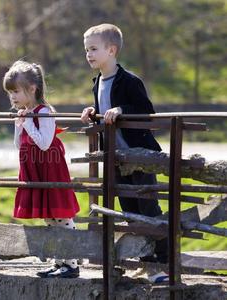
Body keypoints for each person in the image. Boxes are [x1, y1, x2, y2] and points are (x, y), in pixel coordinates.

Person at [80, 24, 169, 283]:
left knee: (148, 209)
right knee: (129, 209)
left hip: (138, 157)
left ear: (111, 50)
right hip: (116, 158)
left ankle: (162, 265)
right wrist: (92, 113)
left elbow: (146, 111)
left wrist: (122, 110)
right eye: (86, 50)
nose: (89, 54)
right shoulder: (97, 82)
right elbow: (103, 113)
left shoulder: (129, 81)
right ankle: (146, 262)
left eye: (94, 49)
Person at [3, 60, 80, 278]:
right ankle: (60, 263)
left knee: (61, 216)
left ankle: (72, 264)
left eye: (16, 91)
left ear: (32, 88)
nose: (13, 97)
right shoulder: (26, 113)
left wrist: (28, 123)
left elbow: (45, 142)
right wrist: (19, 127)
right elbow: (20, 146)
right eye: (10, 93)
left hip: (50, 170)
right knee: (49, 218)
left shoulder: (44, 111)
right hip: (34, 169)